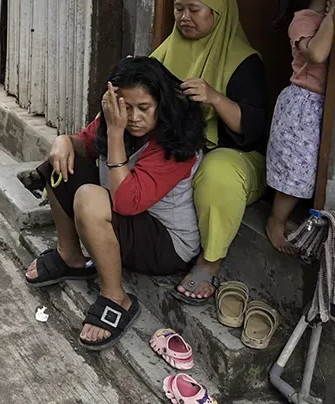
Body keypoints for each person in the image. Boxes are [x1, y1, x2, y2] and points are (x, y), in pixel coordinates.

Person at [24, 57, 205, 350]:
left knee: (89, 199)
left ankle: (116, 297)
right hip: (130, 220)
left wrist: (117, 131)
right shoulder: (114, 118)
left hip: (166, 245)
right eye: (125, 107)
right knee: (58, 165)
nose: (133, 117)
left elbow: (126, 202)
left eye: (144, 108)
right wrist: (63, 141)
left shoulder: (177, 145)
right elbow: (84, 141)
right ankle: (71, 256)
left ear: (162, 104)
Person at [152, 0, 268, 304]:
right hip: (188, 146)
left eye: (194, 9)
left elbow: (254, 129)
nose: (184, 17)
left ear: (217, 13)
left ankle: (210, 261)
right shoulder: (168, 49)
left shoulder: (245, 62)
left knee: (217, 174)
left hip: (237, 157)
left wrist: (215, 97)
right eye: (178, 9)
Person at [264, 0, 335, 252]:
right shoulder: (304, 19)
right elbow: (317, 53)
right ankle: (275, 222)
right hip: (302, 106)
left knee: (307, 171)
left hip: (317, 107)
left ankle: (286, 217)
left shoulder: (322, 19)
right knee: (295, 171)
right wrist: (333, 14)